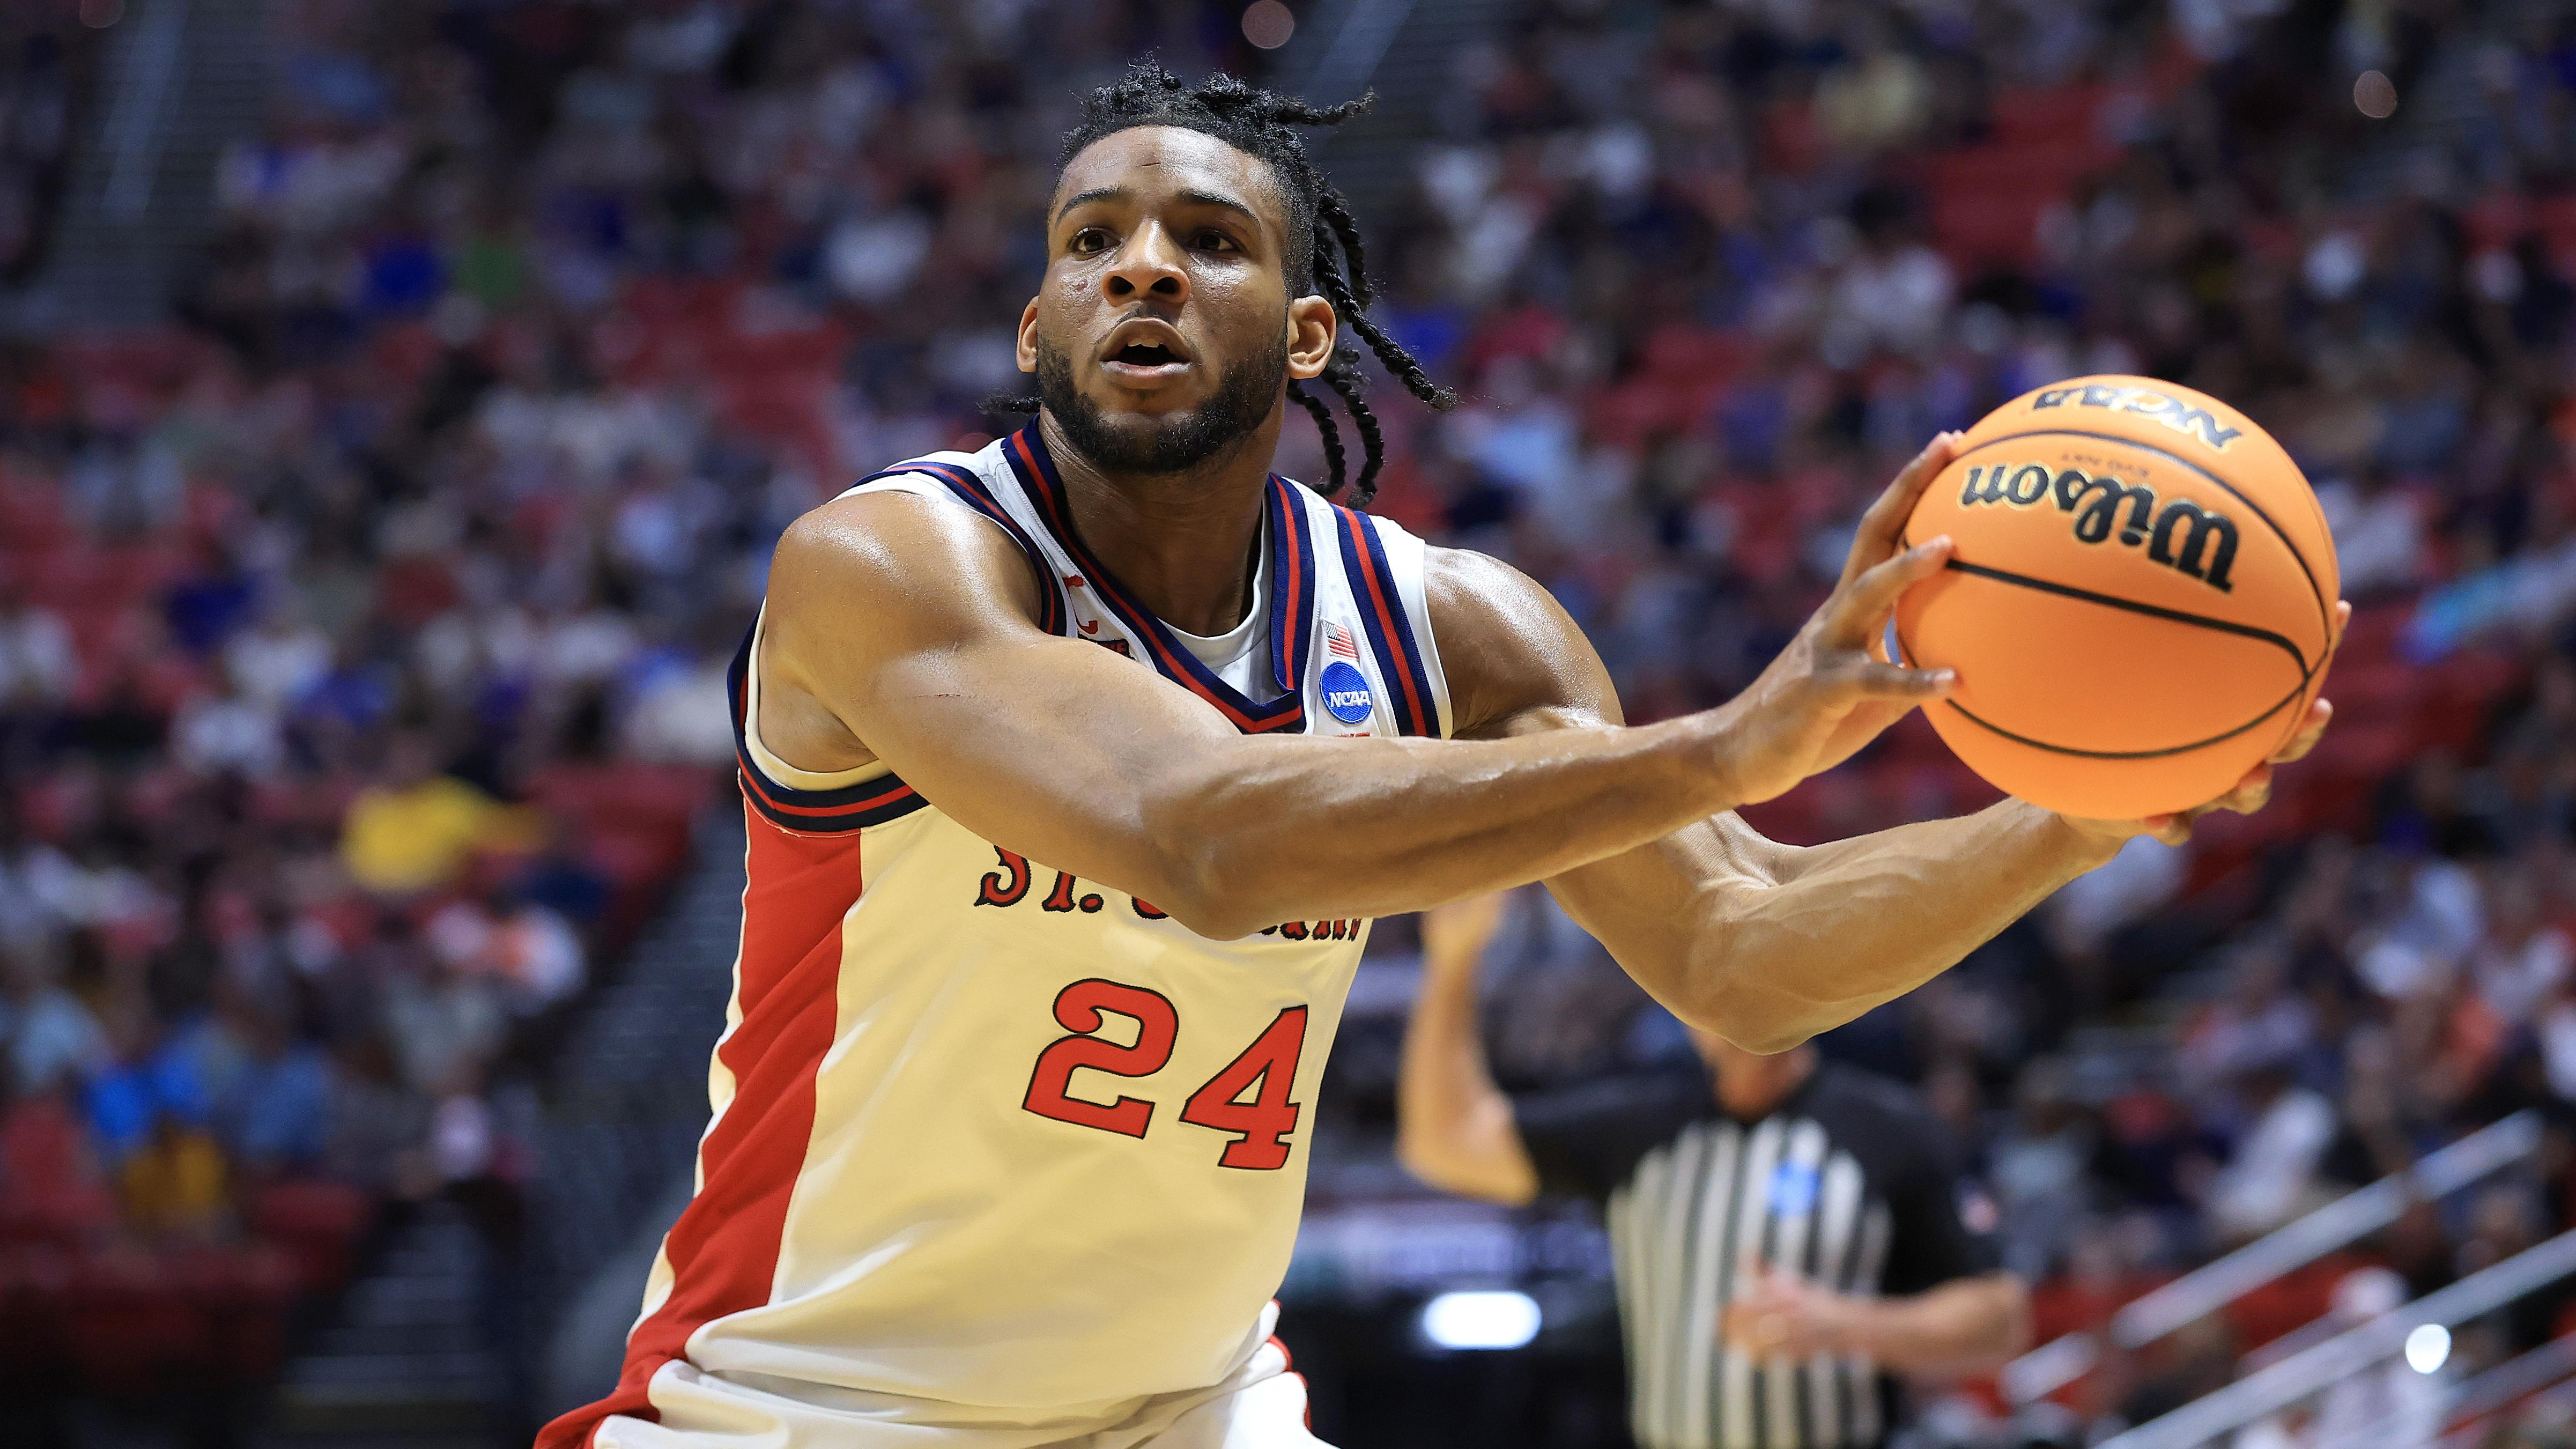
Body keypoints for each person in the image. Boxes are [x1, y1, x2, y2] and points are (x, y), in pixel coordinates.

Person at [543, 64, 2337, 1449]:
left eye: (1207, 240)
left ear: (1307, 333)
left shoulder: (1455, 630)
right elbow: (1203, 838)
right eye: (1090, 243)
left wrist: (2080, 812)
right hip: (814, 1398)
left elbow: (1745, 957)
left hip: (1189, 1402)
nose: (1140, 266)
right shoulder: (895, 564)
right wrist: (1727, 743)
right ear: (1035, 331)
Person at [1397, 893, 2029, 1449]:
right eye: (1706, 977)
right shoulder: (1642, 1127)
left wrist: (1846, 1325)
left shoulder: (1887, 1129)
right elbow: (1444, 1141)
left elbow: (1999, 1317)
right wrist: (1454, 959)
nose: (1725, 999)